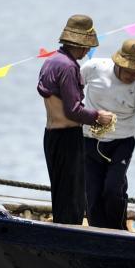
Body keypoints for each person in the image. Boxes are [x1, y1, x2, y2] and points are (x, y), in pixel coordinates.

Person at [81, 39, 135, 229]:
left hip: (121, 144)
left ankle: (117, 230)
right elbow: (73, 89)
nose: (132, 76)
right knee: (93, 193)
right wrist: (81, 114)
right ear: (118, 63)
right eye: (129, 71)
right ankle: (97, 232)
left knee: (113, 189)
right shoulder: (94, 68)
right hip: (90, 140)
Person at [37, 14, 113, 224]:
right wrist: (98, 117)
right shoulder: (69, 67)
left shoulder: (50, 61)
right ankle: (69, 240)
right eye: (87, 46)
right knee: (73, 200)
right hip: (68, 138)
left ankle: (59, 235)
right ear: (78, 44)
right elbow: (73, 110)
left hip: (51, 137)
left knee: (61, 196)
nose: (88, 50)